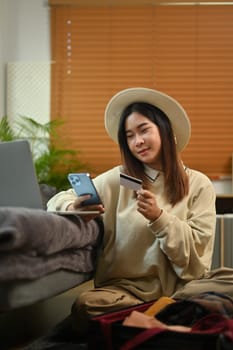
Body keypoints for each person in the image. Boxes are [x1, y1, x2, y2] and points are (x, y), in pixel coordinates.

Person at [47, 87, 216, 334]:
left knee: (226, 283)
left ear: (165, 130)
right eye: (129, 135)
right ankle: (163, 325)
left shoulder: (199, 184)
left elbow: (196, 261)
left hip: (179, 292)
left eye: (144, 130)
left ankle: (141, 325)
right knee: (86, 305)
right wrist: (74, 206)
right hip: (122, 293)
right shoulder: (119, 179)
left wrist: (159, 218)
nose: (137, 141)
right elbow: (56, 200)